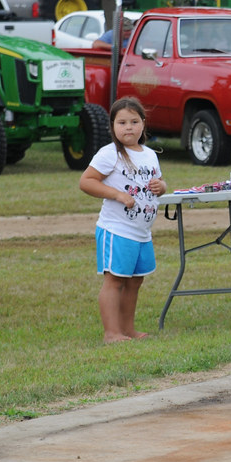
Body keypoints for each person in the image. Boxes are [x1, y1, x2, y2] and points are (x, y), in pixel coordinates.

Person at [79, 97, 167, 344]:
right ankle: (111, 333)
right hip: (117, 230)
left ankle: (128, 329)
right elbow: (86, 181)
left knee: (135, 280)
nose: (128, 127)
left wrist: (162, 186)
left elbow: (158, 183)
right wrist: (117, 194)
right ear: (112, 126)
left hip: (142, 232)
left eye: (134, 121)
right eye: (122, 122)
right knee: (115, 280)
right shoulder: (109, 154)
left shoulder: (150, 155)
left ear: (143, 124)